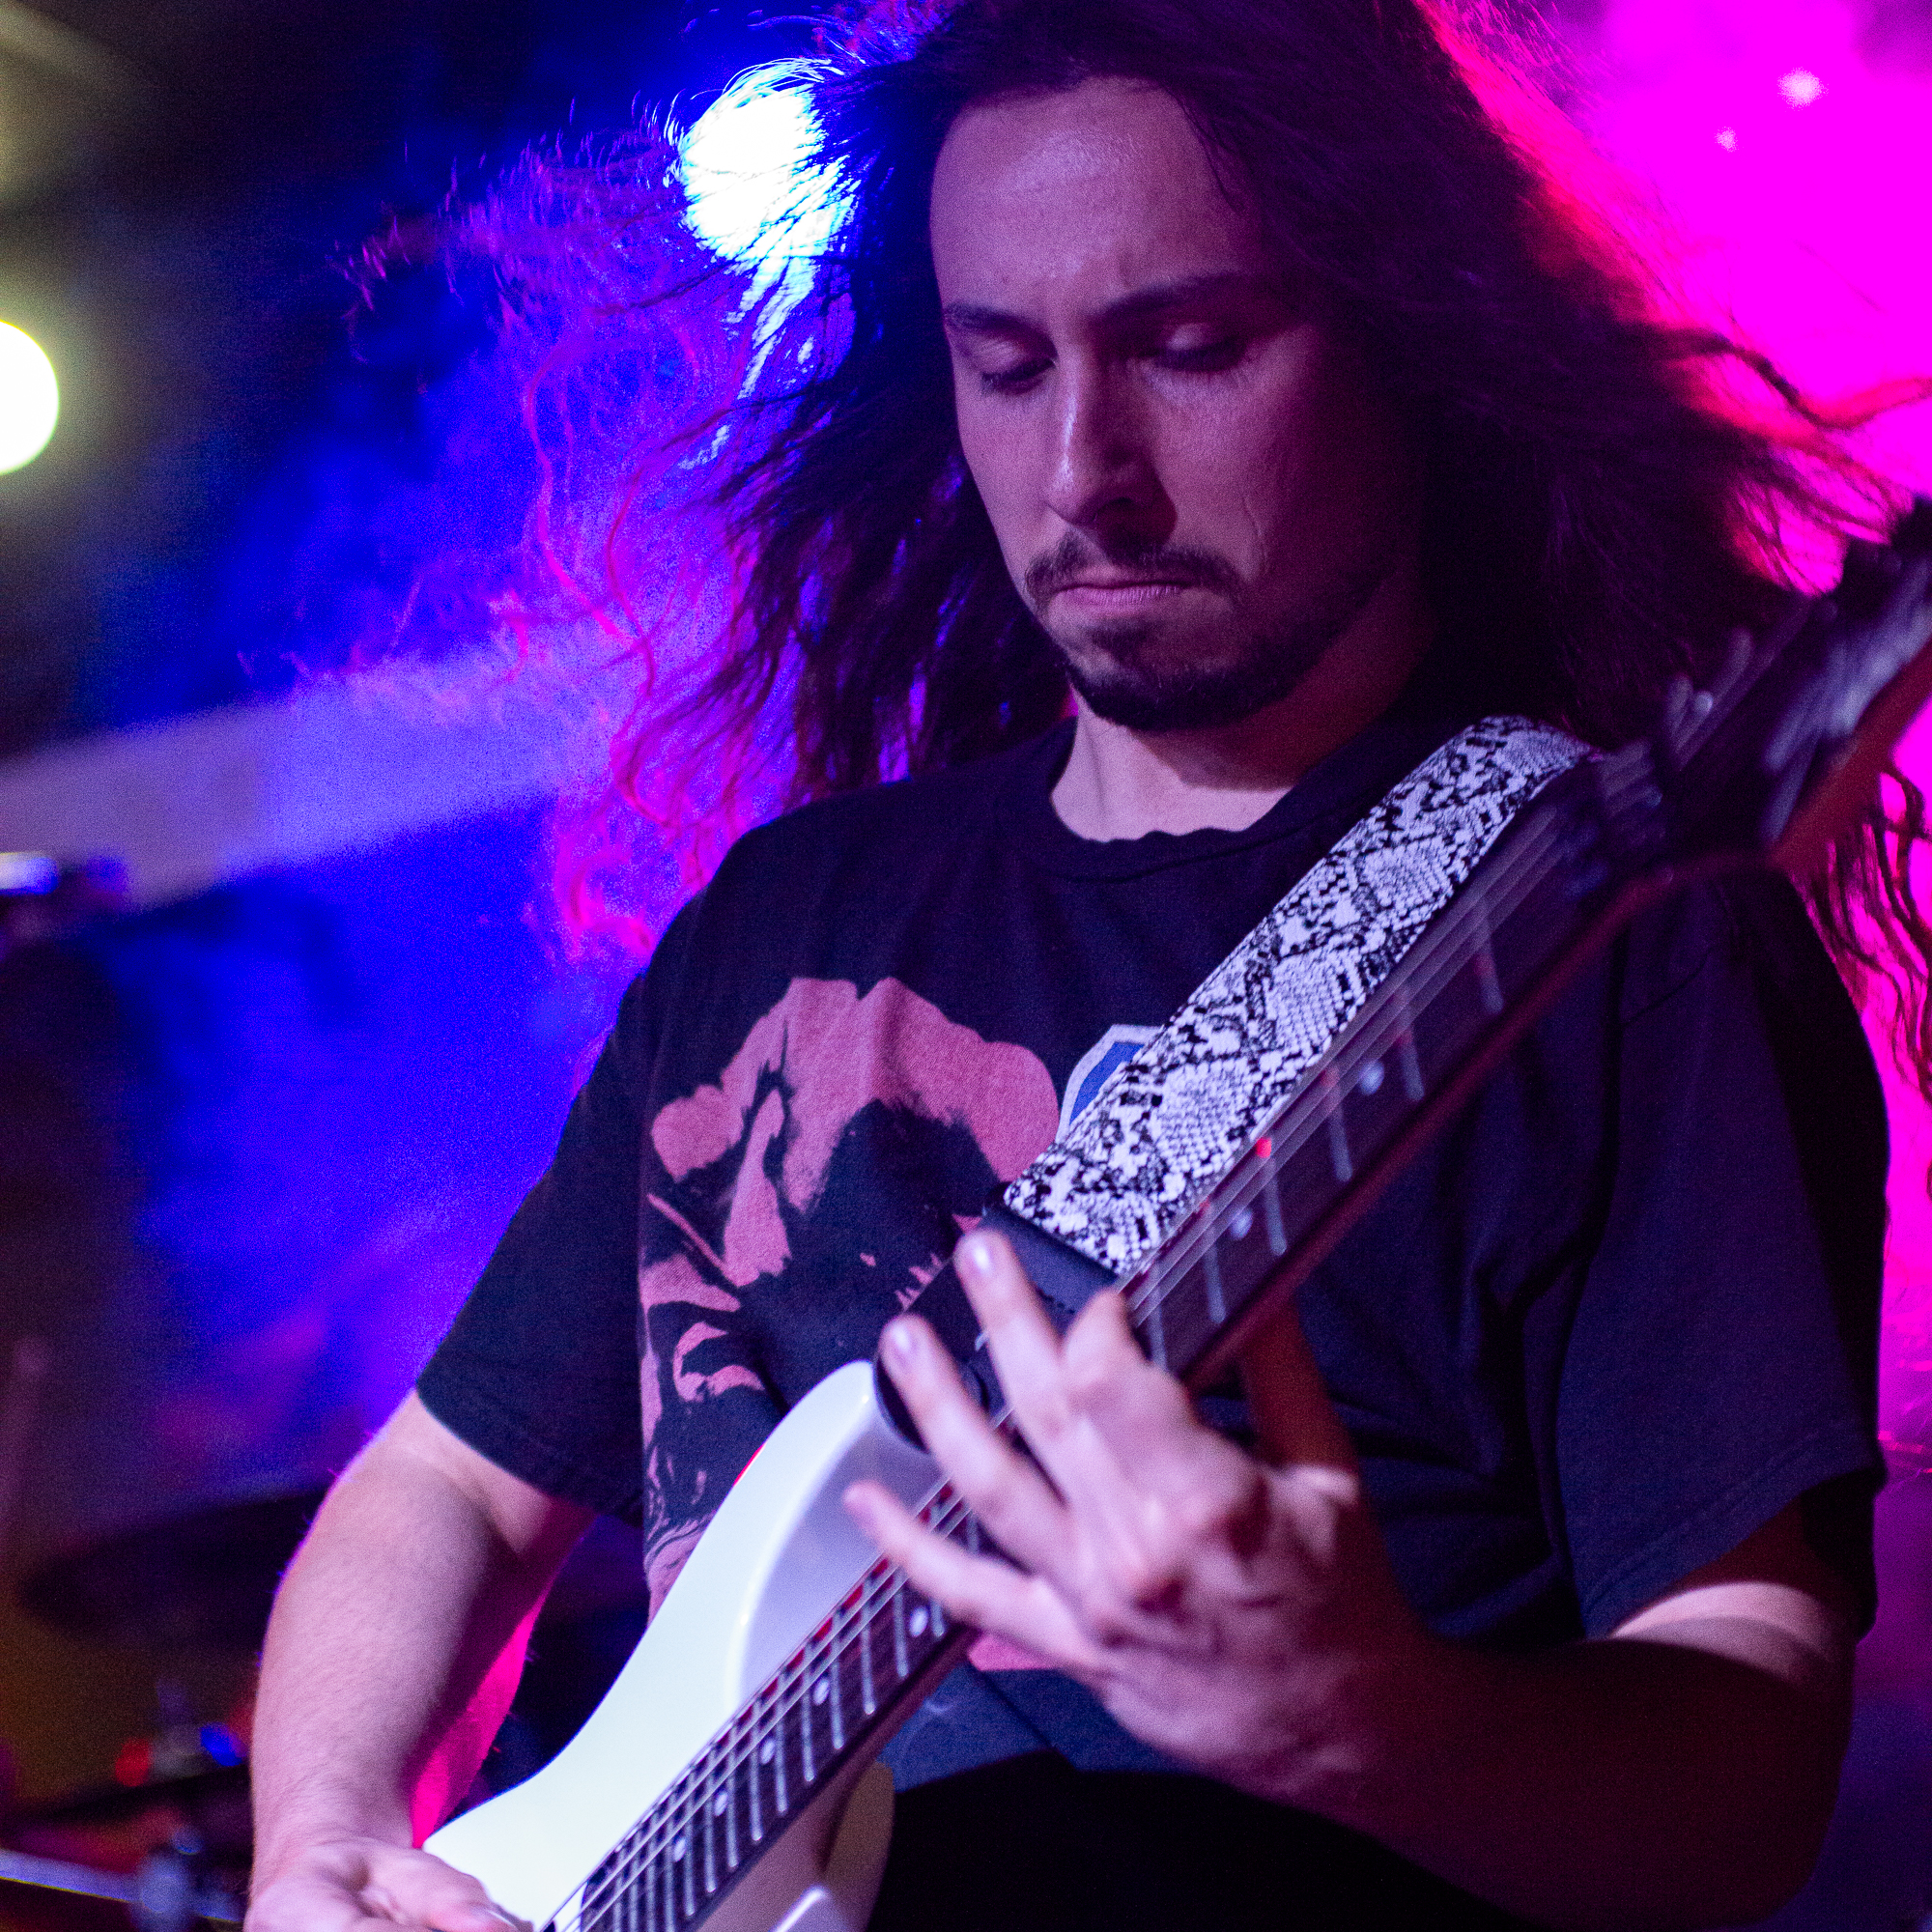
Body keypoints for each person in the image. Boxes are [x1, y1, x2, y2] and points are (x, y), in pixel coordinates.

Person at [242, 2, 1917, 1928]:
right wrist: (323, 1838)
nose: (1080, 471)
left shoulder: (1613, 935)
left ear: (1409, 340)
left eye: (1188, 348)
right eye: (1006, 365)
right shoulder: (786, 922)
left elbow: (1746, 1780)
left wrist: (1369, 1719)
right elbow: (450, 1487)